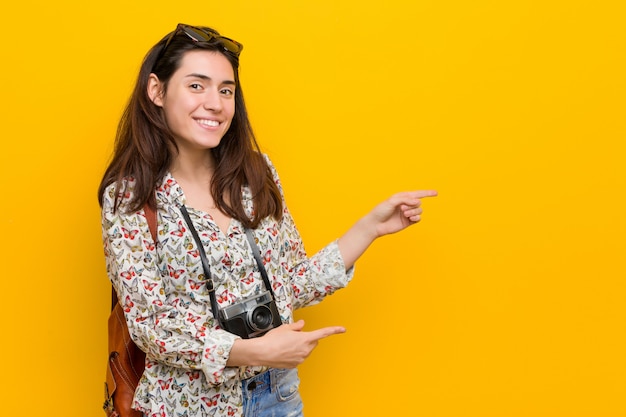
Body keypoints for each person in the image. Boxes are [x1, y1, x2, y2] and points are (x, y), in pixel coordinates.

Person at [98, 23, 437, 417]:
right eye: (197, 86)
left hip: (276, 397)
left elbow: (289, 284)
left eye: (226, 90)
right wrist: (251, 351)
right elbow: (150, 327)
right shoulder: (131, 199)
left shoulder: (255, 175)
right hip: (187, 407)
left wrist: (371, 228)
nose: (215, 103)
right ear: (156, 91)